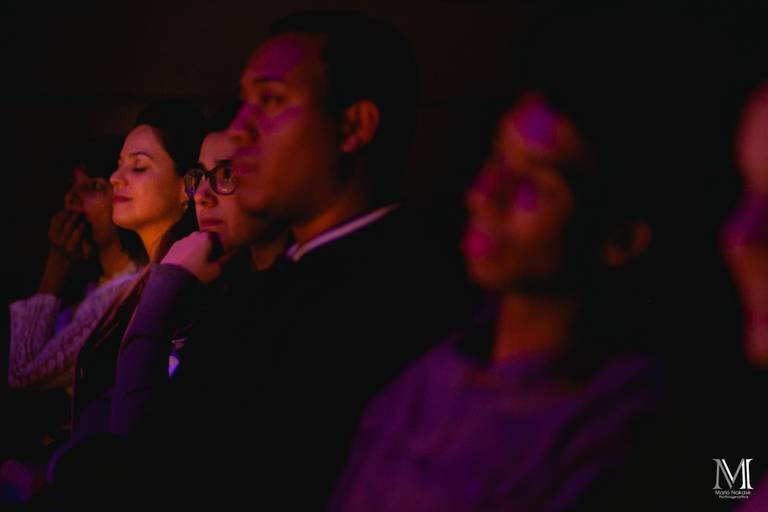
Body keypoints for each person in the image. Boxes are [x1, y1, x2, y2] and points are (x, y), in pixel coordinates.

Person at [329, 87, 663, 512]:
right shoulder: (431, 375)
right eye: (497, 159)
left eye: (534, 183)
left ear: (621, 238)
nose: (484, 194)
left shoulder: (612, 424)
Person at [8, 135, 143, 391]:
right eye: (72, 185)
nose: (72, 197)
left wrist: (56, 264)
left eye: (93, 186)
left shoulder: (124, 294)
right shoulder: (93, 286)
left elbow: (22, 373)